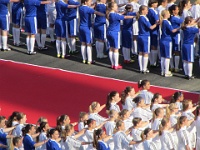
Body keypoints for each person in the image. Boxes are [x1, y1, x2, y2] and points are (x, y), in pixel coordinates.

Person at [106, 2, 134, 70]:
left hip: (109, 31)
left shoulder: (110, 14)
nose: (117, 7)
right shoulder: (114, 15)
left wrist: (123, 13)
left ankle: (113, 64)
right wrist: (134, 16)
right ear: (112, 7)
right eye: (116, 6)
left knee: (111, 48)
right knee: (116, 49)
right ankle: (116, 64)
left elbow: (120, 15)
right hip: (115, 32)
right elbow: (125, 17)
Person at [79, 0, 105, 64]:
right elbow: (97, 12)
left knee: (83, 43)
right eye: (89, 1)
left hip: (81, 27)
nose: (90, 2)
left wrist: (92, 6)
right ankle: (90, 60)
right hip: (87, 27)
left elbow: (90, 9)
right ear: (85, 2)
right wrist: (105, 15)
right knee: (89, 44)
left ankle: (84, 59)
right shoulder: (88, 9)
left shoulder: (81, 8)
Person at [137, 5, 158, 74]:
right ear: (143, 10)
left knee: (140, 52)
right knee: (145, 53)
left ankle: (141, 68)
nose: (147, 11)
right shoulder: (144, 18)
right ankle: (144, 68)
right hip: (145, 36)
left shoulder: (140, 17)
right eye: (146, 10)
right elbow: (151, 27)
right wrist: (156, 24)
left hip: (140, 35)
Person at [160, 9, 180, 77]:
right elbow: (172, 30)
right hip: (167, 40)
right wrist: (179, 28)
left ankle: (163, 71)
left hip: (162, 39)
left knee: (163, 56)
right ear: (165, 15)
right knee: (167, 57)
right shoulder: (167, 22)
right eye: (168, 13)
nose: (170, 15)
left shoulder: (162, 21)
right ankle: (166, 72)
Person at [168, 5, 184, 72]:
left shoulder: (170, 18)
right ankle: (176, 67)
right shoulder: (175, 18)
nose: (178, 10)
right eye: (177, 9)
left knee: (171, 51)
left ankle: (172, 66)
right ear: (173, 11)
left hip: (171, 35)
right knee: (177, 51)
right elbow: (183, 21)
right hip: (176, 35)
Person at [147, 0, 159, 67]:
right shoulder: (153, 11)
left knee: (151, 45)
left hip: (150, 29)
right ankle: (153, 62)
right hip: (154, 30)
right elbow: (157, 21)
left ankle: (151, 61)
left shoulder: (149, 10)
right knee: (154, 45)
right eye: (155, 3)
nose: (157, 4)